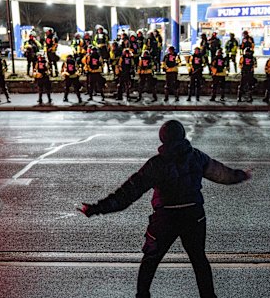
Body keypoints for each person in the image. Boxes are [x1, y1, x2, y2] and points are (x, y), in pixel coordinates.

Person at [79, 120, 251, 298]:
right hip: (194, 216)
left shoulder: (155, 164)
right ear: (182, 135)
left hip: (165, 218)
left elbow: (128, 193)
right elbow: (222, 174)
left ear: (162, 138)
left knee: (150, 260)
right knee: (199, 260)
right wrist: (241, 175)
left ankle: (142, 295)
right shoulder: (197, 157)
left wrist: (95, 209)